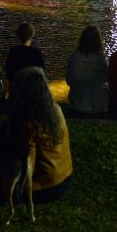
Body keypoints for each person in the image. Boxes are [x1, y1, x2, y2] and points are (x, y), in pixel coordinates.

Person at [9, 67, 72, 203]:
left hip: (47, 188)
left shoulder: (30, 124)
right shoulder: (56, 109)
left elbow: (28, 166)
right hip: (66, 177)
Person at [65, 25, 109, 116]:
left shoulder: (74, 57)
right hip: (98, 106)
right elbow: (107, 78)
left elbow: (68, 81)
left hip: (77, 105)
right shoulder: (101, 58)